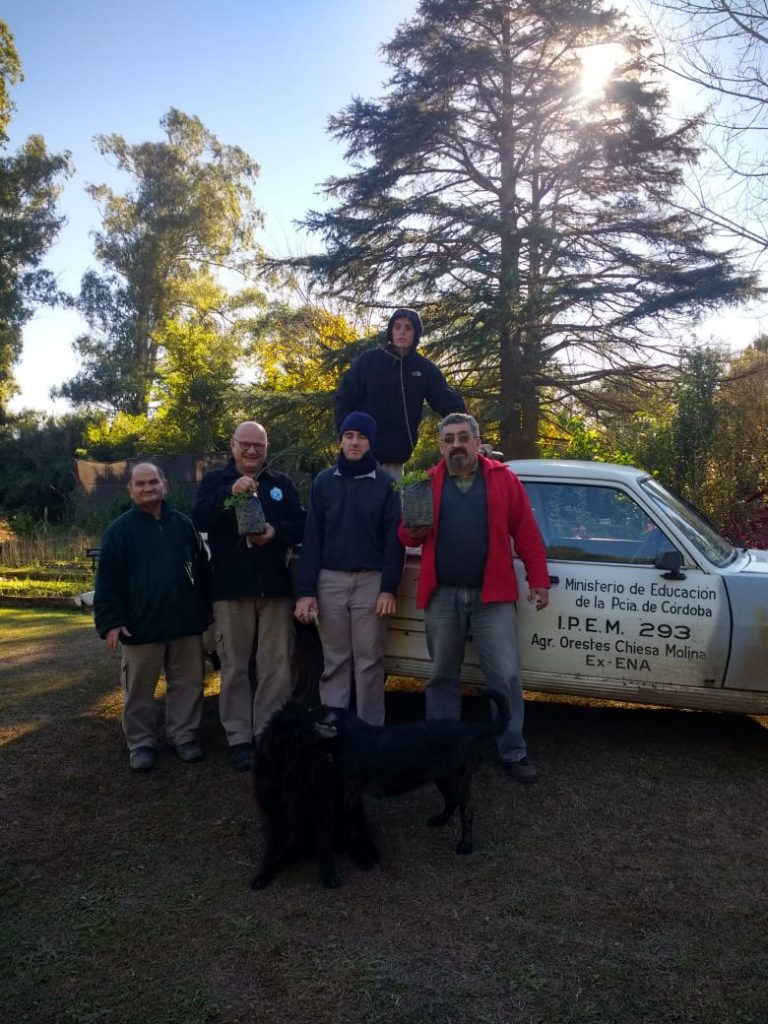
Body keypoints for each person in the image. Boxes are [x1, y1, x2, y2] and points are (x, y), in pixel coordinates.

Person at [397, 413, 550, 783]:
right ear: (440, 446)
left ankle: (512, 750)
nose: (456, 445)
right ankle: (442, 750)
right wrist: (413, 531)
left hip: (492, 596)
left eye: (463, 437)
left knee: (506, 677)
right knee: (441, 677)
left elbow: (526, 533)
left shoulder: (502, 479)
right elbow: (405, 535)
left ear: (477, 441)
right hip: (443, 596)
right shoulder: (426, 483)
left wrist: (539, 579)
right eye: (448, 439)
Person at [193, 421, 305, 771]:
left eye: (259, 445)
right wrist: (232, 494)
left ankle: (268, 733)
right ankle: (239, 737)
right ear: (233, 446)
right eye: (246, 444)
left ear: (266, 448)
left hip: (275, 589)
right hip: (231, 591)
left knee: (275, 667)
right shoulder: (215, 480)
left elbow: (302, 524)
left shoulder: (280, 484)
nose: (252, 450)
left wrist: (276, 532)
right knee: (235, 667)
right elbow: (200, 519)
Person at [94, 462, 211, 773]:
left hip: (185, 623)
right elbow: (107, 582)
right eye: (141, 484)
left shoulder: (182, 525)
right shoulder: (119, 532)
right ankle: (141, 743)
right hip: (140, 626)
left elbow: (201, 569)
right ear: (131, 490)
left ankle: (183, 736)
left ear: (165, 485)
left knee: (188, 684)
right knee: (139, 691)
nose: (148, 488)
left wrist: (204, 609)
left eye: (153, 482)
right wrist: (110, 622)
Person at [295, 412, 404, 725]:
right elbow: (312, 537)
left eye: (362, 437)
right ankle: (334, 728)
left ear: (371, 443)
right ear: (340, 441)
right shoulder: (324, 482)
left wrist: (388, 587)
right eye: (349, 436)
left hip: (371, 583)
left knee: (369, 662)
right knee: (336, 661)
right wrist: (307, 592)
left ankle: (370, 732)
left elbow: (393, 540)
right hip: (330, 581)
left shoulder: (385, 484)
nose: (355, 442)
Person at [333, 307, 466, 479]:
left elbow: (448, 401)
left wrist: (468, 433)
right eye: (397, 327)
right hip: (360, 455)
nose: (402, 332)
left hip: (395, 460)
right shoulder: (369, 361)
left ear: (415, 334)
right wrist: (345, 437)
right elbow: (344, 400)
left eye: (408, 328)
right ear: (391, 331)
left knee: (392, 504)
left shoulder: (424, 369)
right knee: (355, 504)